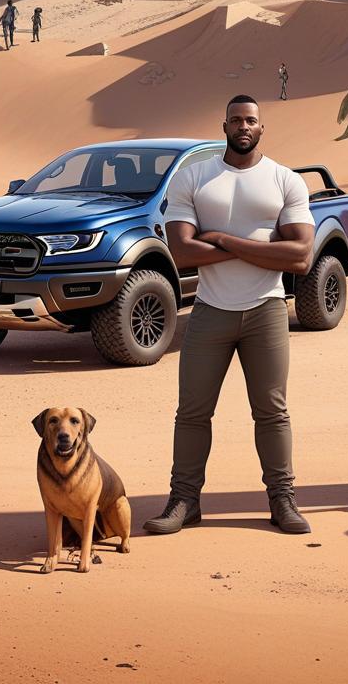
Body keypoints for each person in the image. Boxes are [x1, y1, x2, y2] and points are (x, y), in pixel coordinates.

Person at [143, 96, 316, 536]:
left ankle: (283, 501)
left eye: (251, 120)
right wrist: (262, 249)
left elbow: (299, 256)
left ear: (262, 128)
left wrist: (221, 239)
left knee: (273, 413)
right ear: (224, 125)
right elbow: (181, 250)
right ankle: (184, 501)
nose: (244, 126)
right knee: (193, 413)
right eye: (237, 119)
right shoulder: (194, 176)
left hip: (267, 310)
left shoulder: (285, 180)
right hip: (210, 312)